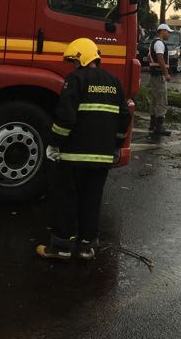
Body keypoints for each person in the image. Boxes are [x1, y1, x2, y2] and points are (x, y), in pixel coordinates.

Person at [37, 38, 131, 261]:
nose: (73, 66)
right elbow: (124, 117)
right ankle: (87, 247)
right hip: (101, 159)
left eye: (74, 61)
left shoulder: (75, 80)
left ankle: (61, 247)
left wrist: (54, 144)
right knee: (92, 200)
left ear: (81, 57)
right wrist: (116, 146)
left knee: (67, 200)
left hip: (73, 157)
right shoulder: (114, 82)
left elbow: (65, 119)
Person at [147, 24, 172, 137]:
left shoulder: (153, 42)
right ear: (162, 31)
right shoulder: (159, 43)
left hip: (153, 75)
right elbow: (160, 58)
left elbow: (149, 57)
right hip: (159, 75)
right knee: (161, 101)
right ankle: (158, 127)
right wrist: (166, 73)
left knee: (154, 101)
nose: (169, 34)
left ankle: (153, 125)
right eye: (168, 32)